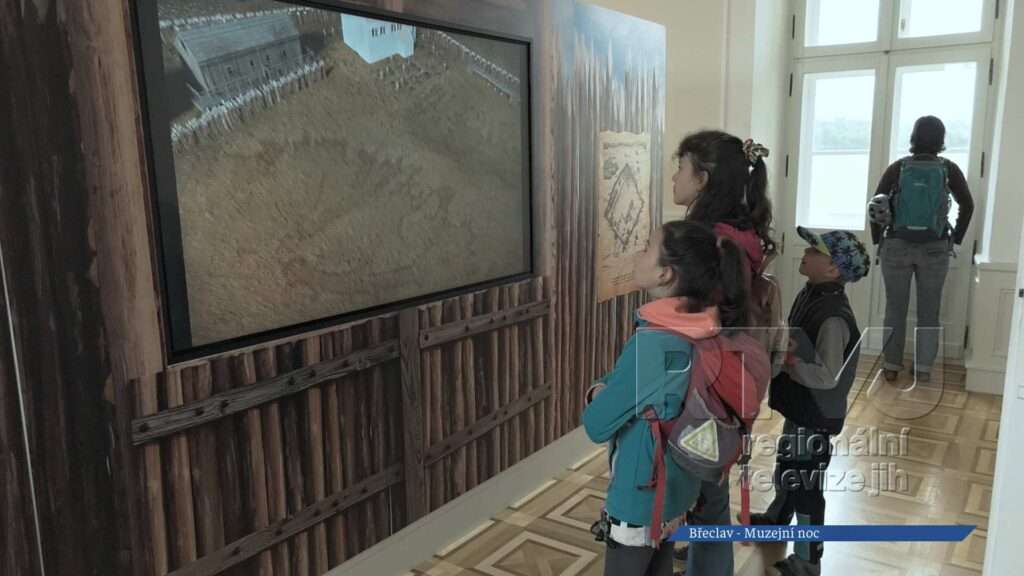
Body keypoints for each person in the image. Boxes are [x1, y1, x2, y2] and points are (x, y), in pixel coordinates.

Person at [583, 221, 751, 576]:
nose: (638, 253)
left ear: (665, 274)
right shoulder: (704, 328)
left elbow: (597, 424)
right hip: (678, 489)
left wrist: (597, 390)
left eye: (647, 247)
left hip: (640, 496)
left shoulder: (654, 344)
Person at [670, 130, 781, 575]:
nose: (674, 178)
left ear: (703, 179)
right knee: (710, 498)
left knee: (696, 496)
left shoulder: (709, 241)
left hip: (701, 383)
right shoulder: (741, 233)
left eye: (680, 168)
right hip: (729, 379)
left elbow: (694, 319)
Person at [752, 226, 870, 576]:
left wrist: (789, 361)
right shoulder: (812, 294)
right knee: (789, 467)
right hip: (802, 407)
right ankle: (776, 519)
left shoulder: (833, 315)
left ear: (833, 269)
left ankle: (807, 560)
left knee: (806, 486)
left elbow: (826, 375)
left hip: (816, 413)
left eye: (814, 252)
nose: (805, 254)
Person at [870, 115, 974, 383]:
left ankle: (891, 365)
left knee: (895, 308)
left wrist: (877, 240)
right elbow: (968, 204)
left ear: (914, 137)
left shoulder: (898, 167)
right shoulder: (949, 169)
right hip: (935, 248)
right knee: (930, 310)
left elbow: (876, 204)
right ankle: (923, 368)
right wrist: (955, 239)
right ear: (941, 140)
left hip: (896, 245)